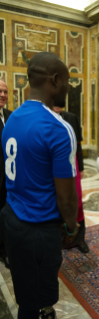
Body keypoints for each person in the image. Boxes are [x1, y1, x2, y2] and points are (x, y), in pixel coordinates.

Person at [0, 52, 79, 319]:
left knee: (26, 294)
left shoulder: (12, 118)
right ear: (55, 80)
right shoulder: (57, 127)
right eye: (67, 81)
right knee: (39, 303)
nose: (69, 87)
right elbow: (67, 198)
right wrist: (71, 226)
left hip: (11, 218)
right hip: (39, 229)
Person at [53, 106, 89, 253]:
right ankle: (60, 238)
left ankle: (79, 239)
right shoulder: (45, 119)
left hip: (72, 163)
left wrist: (80, 167)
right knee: (58, 201)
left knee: (77, 201)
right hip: (53, 165)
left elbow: (78, 146)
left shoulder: (71, 117)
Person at [0, 80, 11, 269]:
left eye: (5, 92)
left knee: (8, 215)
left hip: (11, 176)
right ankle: (3, 251)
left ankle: (8, 248)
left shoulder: (12, 116)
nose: (2, 95)